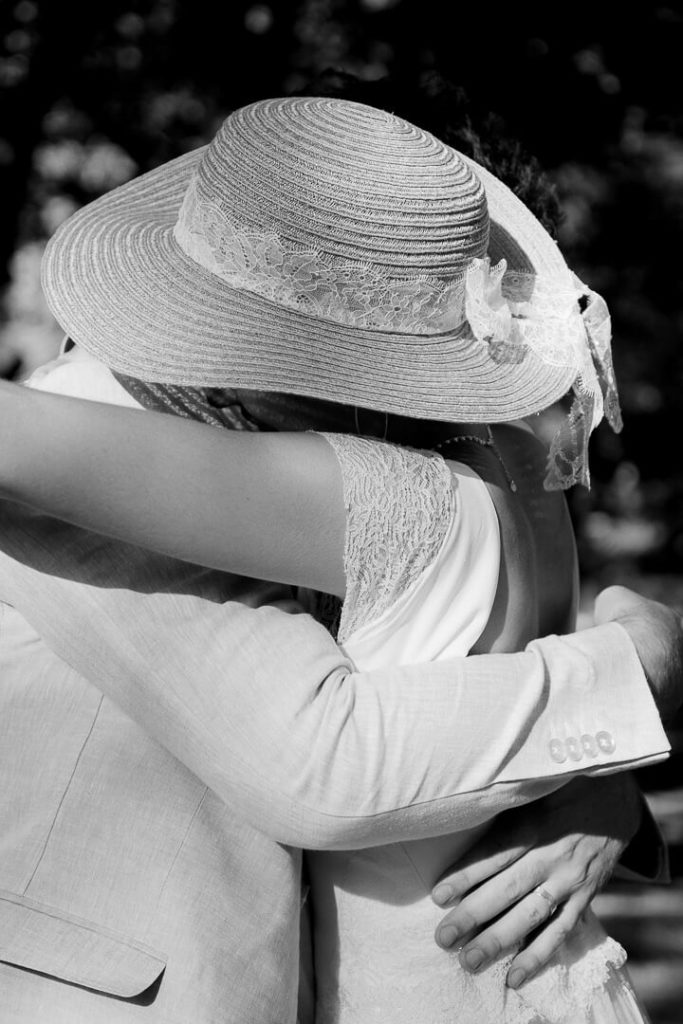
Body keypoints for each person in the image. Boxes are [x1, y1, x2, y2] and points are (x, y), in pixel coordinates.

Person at [0, 97, 677, 1024]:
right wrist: (617, 728)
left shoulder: (378, 494)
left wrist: (632, 680)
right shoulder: (513, 473)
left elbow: (327, 769)